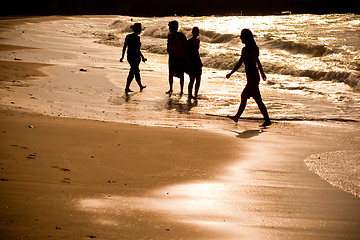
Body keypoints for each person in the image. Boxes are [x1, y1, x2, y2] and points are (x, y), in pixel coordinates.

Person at [226, 29, 271, 127]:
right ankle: (238, 117)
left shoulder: (247, 49)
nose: (240, 38)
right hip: (254, 76)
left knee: (249, 97)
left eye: (242, 36)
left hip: (252, 77)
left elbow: (240, 63)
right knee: (254, 98)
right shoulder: (253, 48)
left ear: (245, 38)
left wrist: (231, 73)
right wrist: (262, 73)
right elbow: (257, 61)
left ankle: (266, 120)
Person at [120, 23, 147, 93]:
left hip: (129, 56)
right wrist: (143, 57)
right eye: (140, 29)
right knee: (133, 71)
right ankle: (127, 87)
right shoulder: (137, 38)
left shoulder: (128, 36)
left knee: (135, 71)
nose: (141, 30)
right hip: (135, 57)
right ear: (138, 30)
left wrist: (122, 56)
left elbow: (124, 47)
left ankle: (140, 86)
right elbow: (137, 49)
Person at [166, 20, 187, 94]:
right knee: (171, 73)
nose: (169, 28)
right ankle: (171, 88)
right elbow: (168, 44)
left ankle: (181, 90)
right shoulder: (170, 35)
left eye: (170, 27)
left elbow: (185, 46)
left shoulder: (181, 35)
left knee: (180, 74)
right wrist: (168, 50)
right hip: (173, 56)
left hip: (180, 57)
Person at [186, 27, 203, 99]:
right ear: (192, 33)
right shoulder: (189, 41)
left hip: (197, 61)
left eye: (197, 32)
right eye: (195, 32)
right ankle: (190, 94)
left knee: (198, 79)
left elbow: (197, 52)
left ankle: (196, 94)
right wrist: (188, 62)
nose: (196, 33)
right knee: (192, 79)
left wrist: (200, 61)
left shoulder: (198, 41)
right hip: (191, 61)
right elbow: (187, 53)